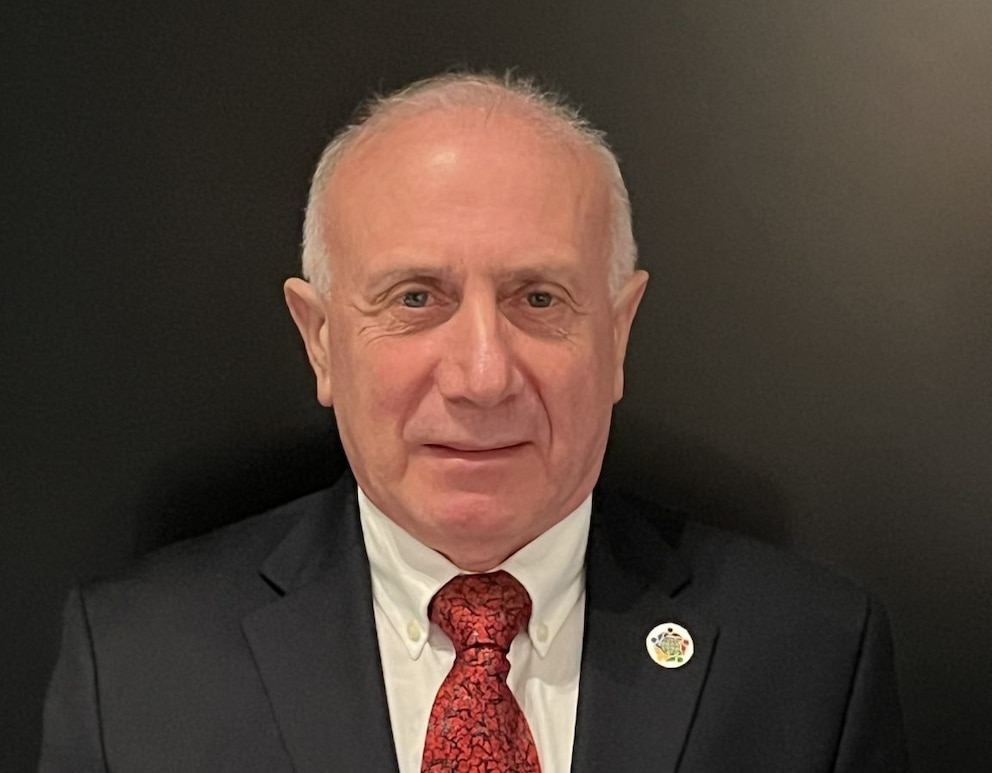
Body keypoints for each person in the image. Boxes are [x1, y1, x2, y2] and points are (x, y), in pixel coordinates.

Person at [39, 72, 910, 772]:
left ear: (617, 336)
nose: (483, 376)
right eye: (416, 299)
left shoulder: (811, 660)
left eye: (539, 298)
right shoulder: (135, 666)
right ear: (322, 342)